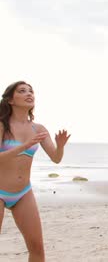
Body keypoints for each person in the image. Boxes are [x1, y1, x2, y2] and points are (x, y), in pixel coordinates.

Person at [0, 81, 70, 261]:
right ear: (10, 100)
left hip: (23, 192)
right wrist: (24, 146)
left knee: (37, 249)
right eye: (22, 91)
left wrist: (60, 146)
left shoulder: (38, 129)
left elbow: (56, 158)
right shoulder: (2, 125)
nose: (29, 94)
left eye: (31, 91)